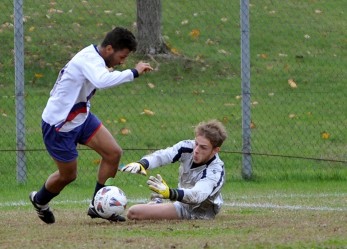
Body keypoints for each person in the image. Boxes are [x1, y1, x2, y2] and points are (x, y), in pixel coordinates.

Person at [29, 27, 153, 224]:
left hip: (80, 116)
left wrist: (117, 69)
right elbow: (101, 81)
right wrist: (134, 72)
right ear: (109, 49)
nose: (122, 62)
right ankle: (39, 200)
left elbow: (100, 76)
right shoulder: (89, 59)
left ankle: (97, 206)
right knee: (68, 176)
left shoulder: (96, 57)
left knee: (113, 153)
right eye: (122, 56)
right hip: (59, 125)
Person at [120, 119, 228, 220]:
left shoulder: (216, 170)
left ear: (215, 150)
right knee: (138, 211)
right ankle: (158, 204)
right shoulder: (187, 147)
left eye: (203, 147)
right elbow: (164, 155)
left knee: (133, 212)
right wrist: (142, 164)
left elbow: (197, 195)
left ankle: (158, 204)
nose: (196, 150)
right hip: (181, 201)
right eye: (196, 143)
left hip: (198, 211)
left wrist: (170, 193)